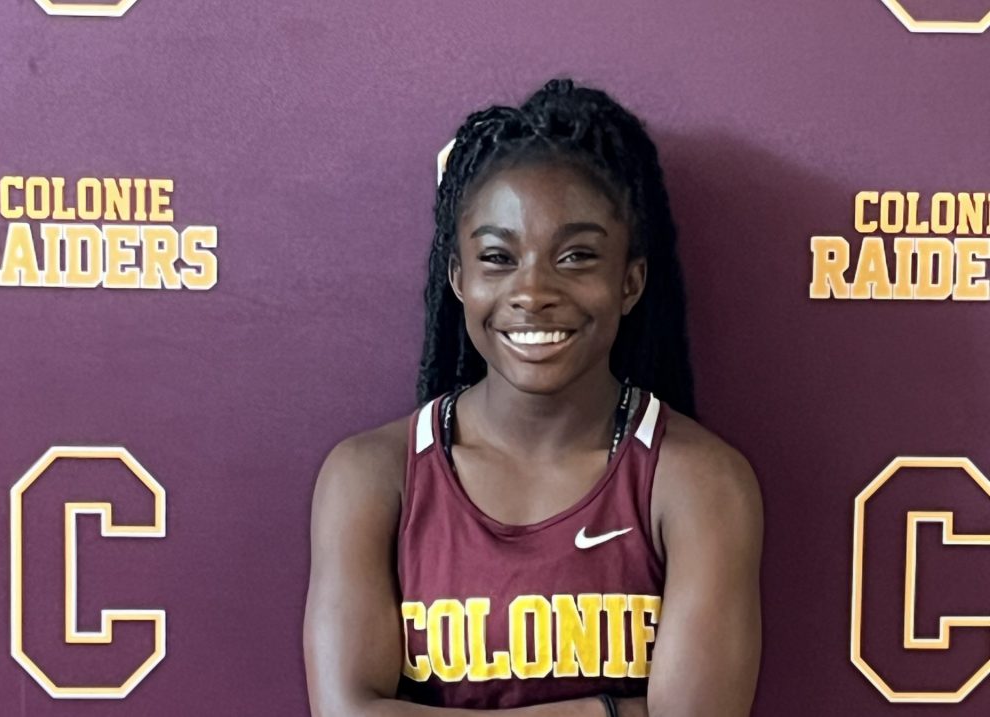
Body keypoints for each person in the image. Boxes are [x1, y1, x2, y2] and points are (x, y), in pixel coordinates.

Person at [304, 79, 762, 717]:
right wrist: (607, 710)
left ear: (629, 282)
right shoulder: (372, 476)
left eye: (576, 256)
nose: (533, 290)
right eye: (498, 256)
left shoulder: (698, 482)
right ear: (459, 278)